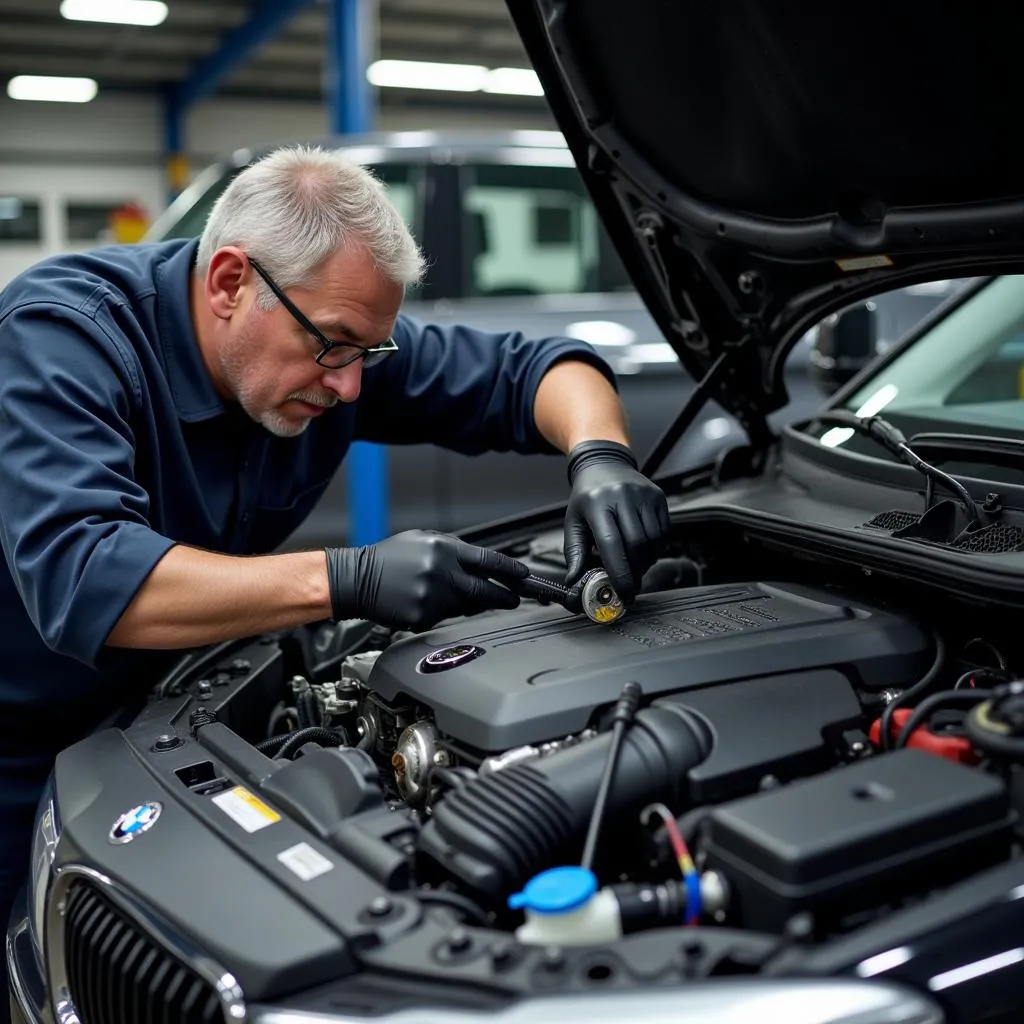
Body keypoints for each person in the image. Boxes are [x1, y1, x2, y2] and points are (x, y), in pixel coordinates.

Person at [0, 144, 669, 1015]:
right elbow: (86, 575)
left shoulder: (324, 334)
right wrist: (345, 578)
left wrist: (601, 453)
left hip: (153, 710)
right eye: (334, 346)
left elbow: (531, 371)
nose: (352, 385)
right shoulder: (61, 339)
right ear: (231, 281)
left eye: (371, 349)